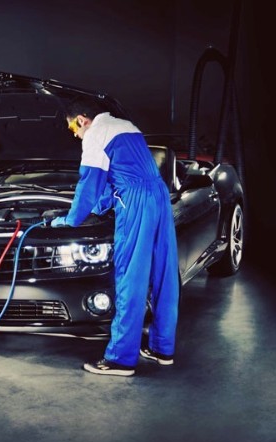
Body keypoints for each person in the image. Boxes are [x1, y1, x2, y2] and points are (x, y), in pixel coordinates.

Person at [50, 98, 179, 376]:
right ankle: (162, 348)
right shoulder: (126, 125)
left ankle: (121, 359)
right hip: (159, 195)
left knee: (131, 276)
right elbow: (118, 175)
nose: (75, 134)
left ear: (82, 119)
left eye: (73, 128)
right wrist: (99, 207)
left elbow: (89, 184)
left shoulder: (94, 134)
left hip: (135, 202)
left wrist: (69, 220)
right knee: (164, 273)